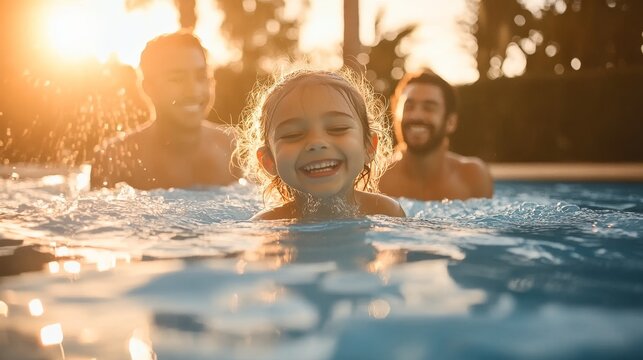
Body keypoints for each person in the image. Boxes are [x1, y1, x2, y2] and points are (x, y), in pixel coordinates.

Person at [236, 68, 405, 220]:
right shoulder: (268, 226)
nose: (316, 143)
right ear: (268, 161)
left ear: (369, 146)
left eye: (338, 128)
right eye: (293, 134)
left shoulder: (386, 212)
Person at [90, 31, 239, 190]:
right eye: (177, 79)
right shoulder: (115, 158)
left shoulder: (234, 149)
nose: (194, 91)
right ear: (148, 87)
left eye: (201, 76)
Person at [379, 71, 493, 201]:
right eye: (409, 106)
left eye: (429, 108)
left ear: (450, 122)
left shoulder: (473, 177)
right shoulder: (378, 178)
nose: (416, 116)